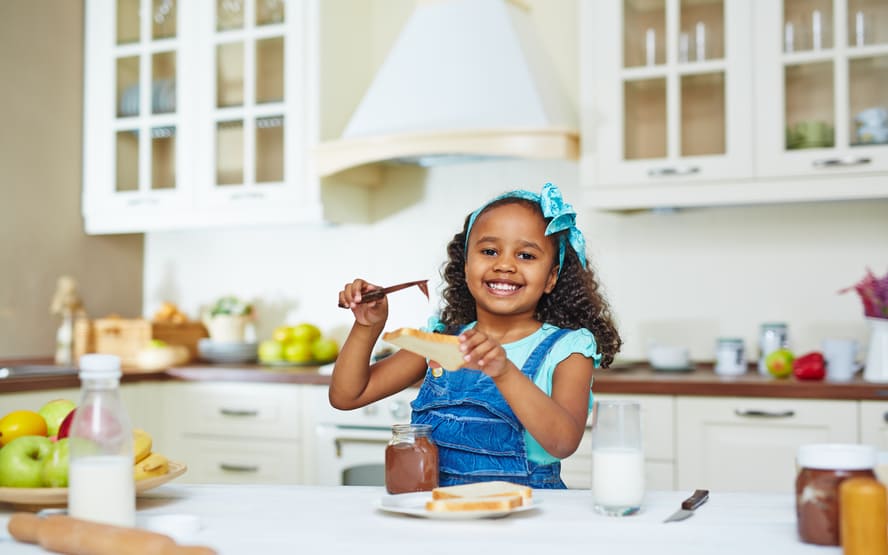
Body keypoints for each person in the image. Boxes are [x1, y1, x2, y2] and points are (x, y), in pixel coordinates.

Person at [330, 182, 621, 488]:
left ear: (551, 277)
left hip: (526, 518)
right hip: (439, 515)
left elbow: (562, 442)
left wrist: (504, 371)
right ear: (466, 265)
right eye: (489, 251)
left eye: (526, 255)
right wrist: (367, 327)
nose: (505, 264)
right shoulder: (441, 340)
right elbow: (348, 396)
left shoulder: (568, 349)